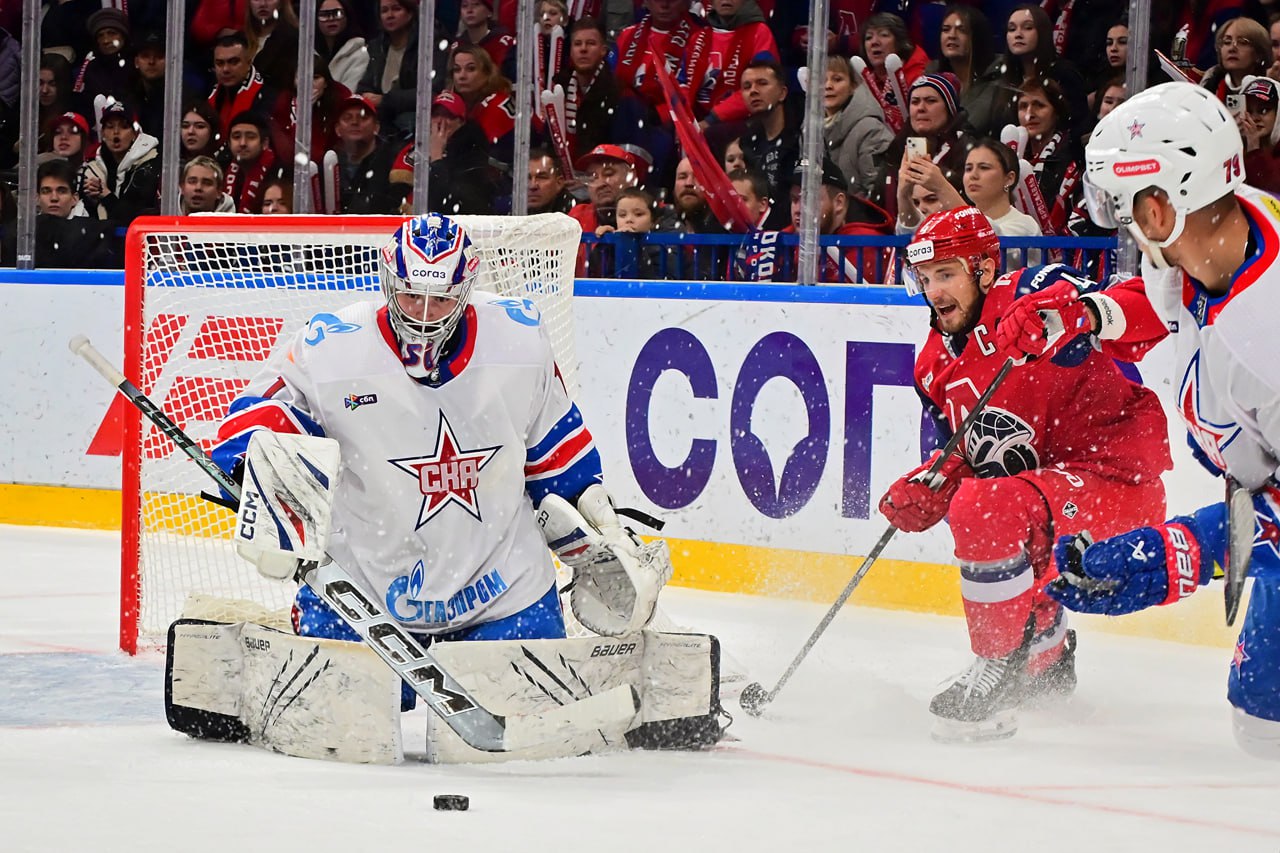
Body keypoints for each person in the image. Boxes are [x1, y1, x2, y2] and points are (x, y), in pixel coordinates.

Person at [209, 213, 667, 712]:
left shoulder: (519, 340)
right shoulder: (331, 346)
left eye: (442, 299)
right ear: (388, 281)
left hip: (503, 597)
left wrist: (599, 528)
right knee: (332, 718)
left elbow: (558, 456)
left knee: (535, 708)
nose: (425, 314)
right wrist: (253, 473)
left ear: (467, 289)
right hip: (362, 600)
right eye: (411, 296)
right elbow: (257, 417)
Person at [1002, 81, 1280, 759]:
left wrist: (1187, 550)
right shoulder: (1231, 223)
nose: (1120, 225)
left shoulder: (1267, 340)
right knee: (1260, 712)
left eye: (1123, 210)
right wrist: (1092, 313)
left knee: (1266, 721)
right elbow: (1171, 294)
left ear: (1158, 209)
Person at [880, 205, 1171, 742]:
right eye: (925, 278)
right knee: (981, 502)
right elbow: (974, 451)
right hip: (1048, 495)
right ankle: (1045, 657)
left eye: (946, 274)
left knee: (986, 506)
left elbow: (1155, 307)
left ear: (984, 269)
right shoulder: (933, 365)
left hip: (1117, 485)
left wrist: (1082, 314)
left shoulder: (1033, 290)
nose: (934, 291)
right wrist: (930, 482)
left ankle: (996, 664)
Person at [823, 54, 893, 202]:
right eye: (822, 80)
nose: (828, 85)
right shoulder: (809, 131)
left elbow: (877, 196)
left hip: (859, 222)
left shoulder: (870, 130)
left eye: (837, 79)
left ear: (853, 86)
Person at [221, 111, 280, 214]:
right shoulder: (222, 169)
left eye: (251, 137)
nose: (243, 143)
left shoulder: (279, 173)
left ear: (265, 143)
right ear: (229, 143)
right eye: (236, 137)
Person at [315, 0, 369, 92]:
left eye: (338, 13)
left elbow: (349, 94)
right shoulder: (308, 53)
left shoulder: (360, 54)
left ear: (347, 17)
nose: (331, 18)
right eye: (324, 14)